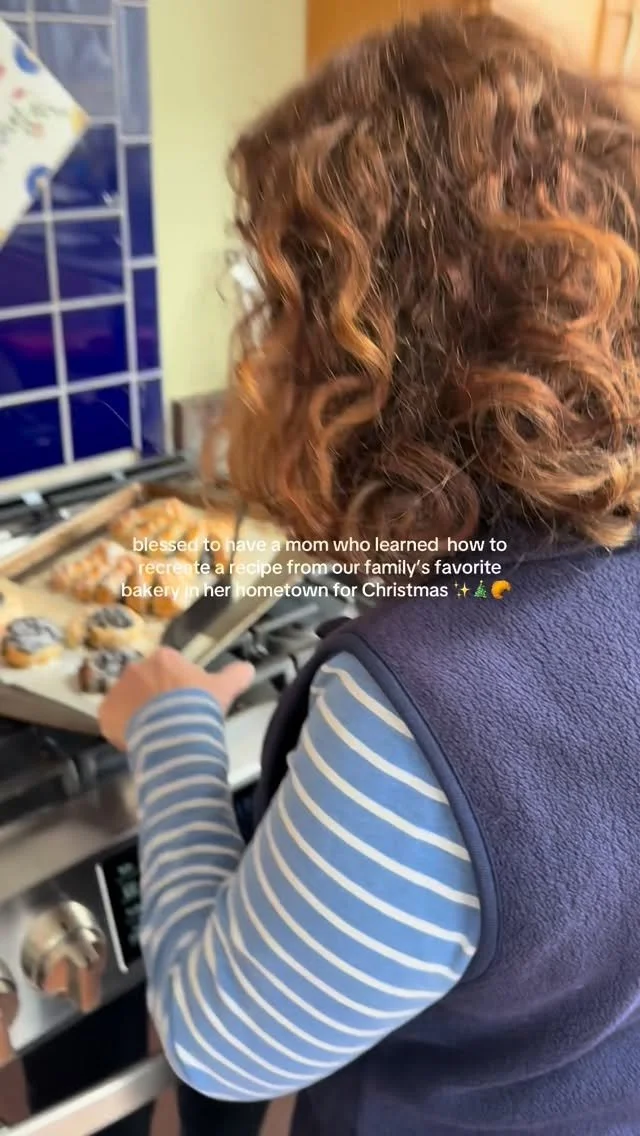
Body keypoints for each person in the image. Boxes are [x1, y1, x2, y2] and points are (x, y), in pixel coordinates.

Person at [100, 11, 640, 1136]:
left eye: (275, 299)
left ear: (357, 347)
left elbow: (217, 1039)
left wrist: (173, 731)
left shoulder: (417, 728)